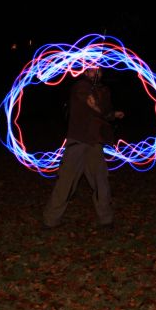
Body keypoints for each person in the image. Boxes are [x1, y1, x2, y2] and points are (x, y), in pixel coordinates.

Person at [43, 66, 124, 229]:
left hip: (94, 142)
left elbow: (104, 111)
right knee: (66, 182)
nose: (97, 73)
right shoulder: (80, 87)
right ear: (86, 72)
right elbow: (93, 106)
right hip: (78, 141)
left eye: (99, 71)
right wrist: (105, 112)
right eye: (92, 70)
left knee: (101, 181)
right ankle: (50, 220)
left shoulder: (104, 90)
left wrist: (113, 114)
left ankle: (106, 220)